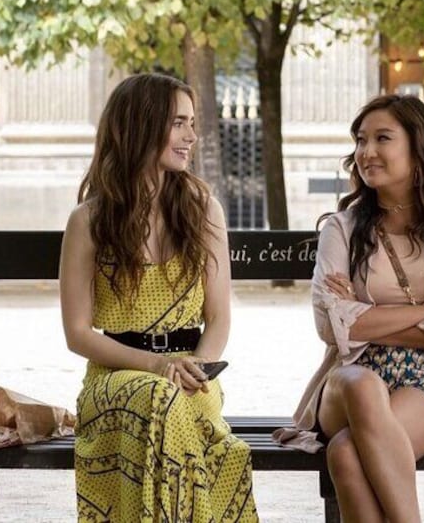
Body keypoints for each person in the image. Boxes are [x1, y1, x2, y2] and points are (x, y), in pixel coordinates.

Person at [274, 94, 424, 521]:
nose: (367, 151)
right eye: (361, 140)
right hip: (350, 376)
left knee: (346, 452)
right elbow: (330, 326)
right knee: (362, 387)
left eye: (383, 138)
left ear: (419, 150)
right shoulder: (341, 230)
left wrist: (361, 314)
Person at [60, 73, 258, 522]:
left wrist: (199, 371)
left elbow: (219, 318)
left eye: (192, 123)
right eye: (178, 123)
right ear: (140, 126)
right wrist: (157, 367)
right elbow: (76, 333)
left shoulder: (203, 208)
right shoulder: (89, 220)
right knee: (159, 401)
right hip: (116, 377)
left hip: (193, 375)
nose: (192, 136)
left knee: (177, 408)